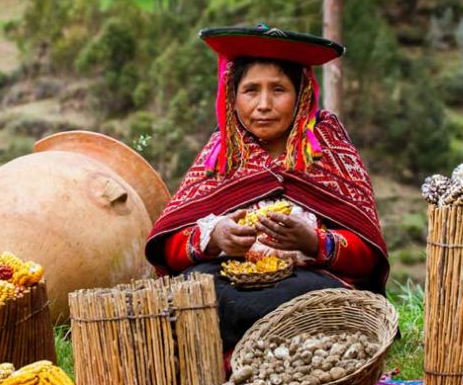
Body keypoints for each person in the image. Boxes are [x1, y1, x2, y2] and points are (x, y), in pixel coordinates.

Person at [145, 25, 389, 353]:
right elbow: (170, 247)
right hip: (229, 276)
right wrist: (214, 237)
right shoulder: (222, 152)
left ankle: (255, 364)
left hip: (311, 283)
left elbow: (368, 259)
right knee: (191, 292)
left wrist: (315, 241)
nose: (263, 104)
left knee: (291, 305)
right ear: (232, 95)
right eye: (250, 90)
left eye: (278, 90)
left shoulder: (327, 147)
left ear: (301, 93)